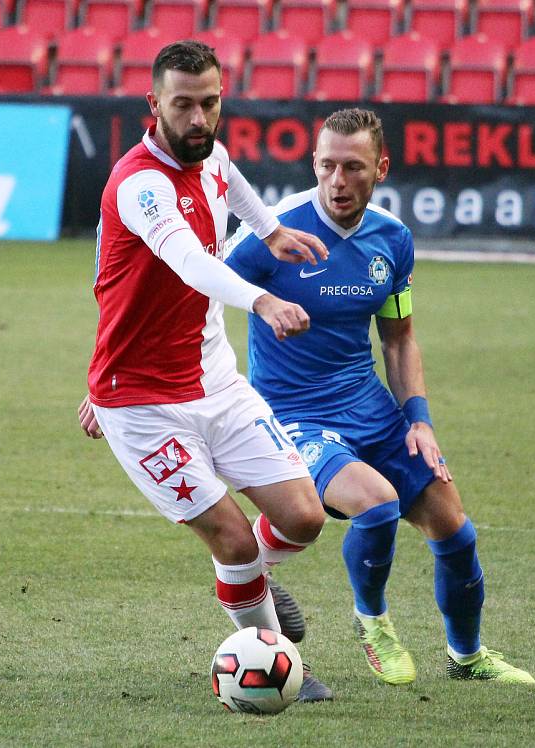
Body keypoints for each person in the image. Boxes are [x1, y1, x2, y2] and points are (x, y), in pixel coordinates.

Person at [223, 108, 535, 686]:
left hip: (370, 407)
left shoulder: (392, 238)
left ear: (381, 168)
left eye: (353, 167)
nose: (337, 181)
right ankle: (373, 623)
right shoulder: (275, 231)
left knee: (455, 531)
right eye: (327, 166)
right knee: (377, 501)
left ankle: (467, 658)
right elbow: (196, 292)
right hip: (294, 417)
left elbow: (399, 338)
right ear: (313, 164)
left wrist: (419, 420)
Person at [77, 40, 334, 702]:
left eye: (210, 103)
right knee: (229, 532)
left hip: (214, 379)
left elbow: (227, 172)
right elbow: (190, 264)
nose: (198, 119)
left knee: (304, 516)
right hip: (139, 401)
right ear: (153, 104)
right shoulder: (141, 185)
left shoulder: (209, 151)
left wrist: (270, 229)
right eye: (183, 104)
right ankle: (272, 660)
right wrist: (263, 297)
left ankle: (246, 577)